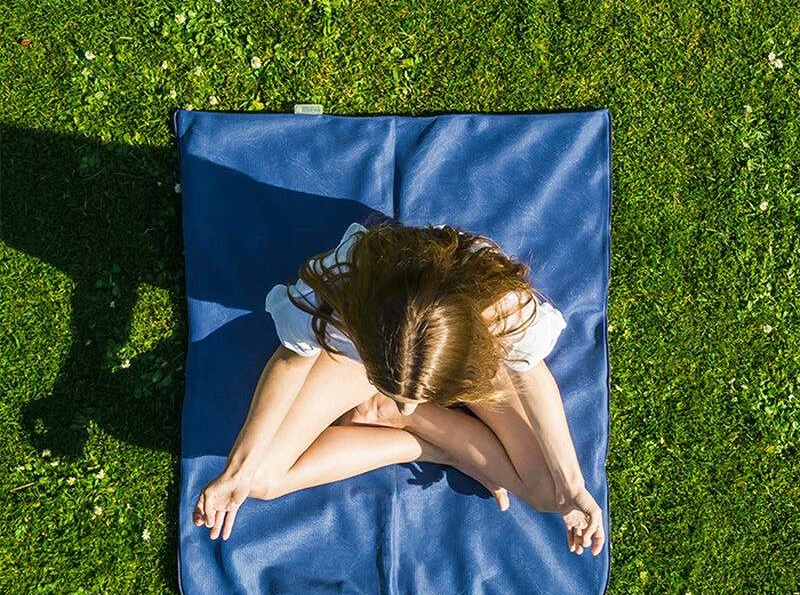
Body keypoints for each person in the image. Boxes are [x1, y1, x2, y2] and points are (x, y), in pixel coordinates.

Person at [193, 215, 605, 556]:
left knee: (550, 493)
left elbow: (531, 376)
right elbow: (291, 361)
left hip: (464, 349)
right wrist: (238, 471)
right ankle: (427, 437)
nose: (408, 406)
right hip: (367, 344)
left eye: (417, 402)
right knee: (260, 478)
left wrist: (572, 487)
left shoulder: (502, 311)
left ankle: (400, 414)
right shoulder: (340, 289)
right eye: (396, 397)